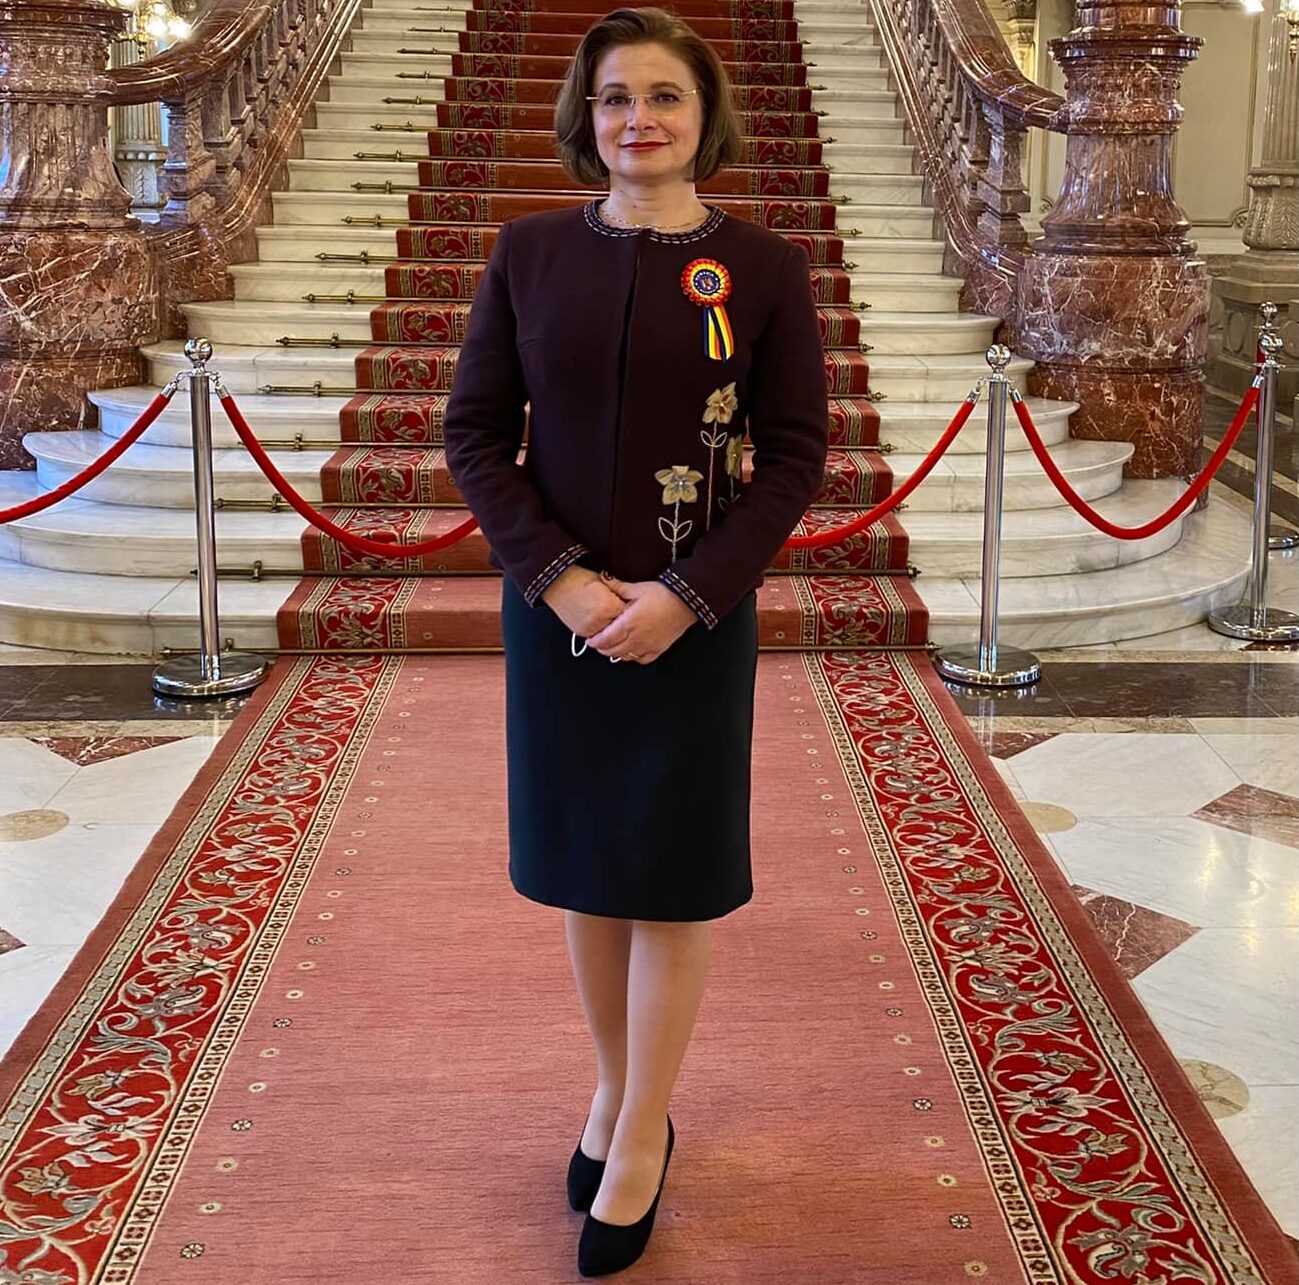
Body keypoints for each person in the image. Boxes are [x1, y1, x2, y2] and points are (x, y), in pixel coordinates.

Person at [441, 6, 830, 1275]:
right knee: (590, 865)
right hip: (559, 616)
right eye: (616, 97)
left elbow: (795, 457)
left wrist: (687, 594)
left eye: (665, 96)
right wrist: (555, 580)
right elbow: (474, 433)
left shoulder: (762, 267)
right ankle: (615, 1092)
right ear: (587, 117)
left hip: (691, 621)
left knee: (669, 870)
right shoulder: (530, 253)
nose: (639, 118)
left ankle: (645, 1127)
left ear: (705, 118)